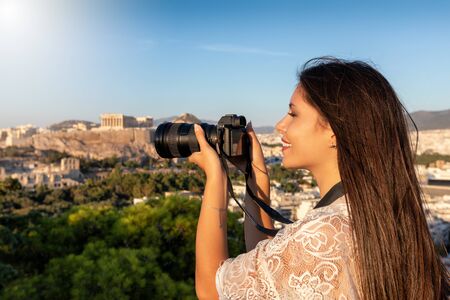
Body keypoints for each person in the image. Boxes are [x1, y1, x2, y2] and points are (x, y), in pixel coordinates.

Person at [188, 57, 450, 299]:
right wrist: (255, 178)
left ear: (334, 130)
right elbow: (273, 278)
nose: (280, 125)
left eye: (293, 114)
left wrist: (216, 180)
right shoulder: (376, 214)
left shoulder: (326, 231)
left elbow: (212, 290)